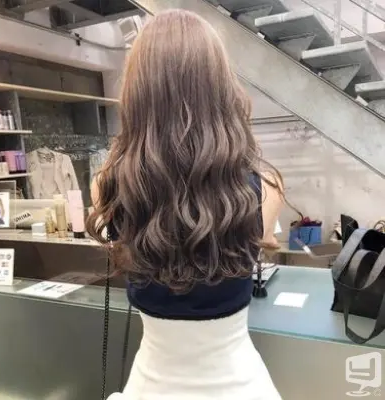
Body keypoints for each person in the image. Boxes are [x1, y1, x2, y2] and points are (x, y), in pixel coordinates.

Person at [88, 9, 284, 400]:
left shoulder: (106, 187)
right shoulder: (264, 188)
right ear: (220, 87)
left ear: (138, 93)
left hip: (151, 387)